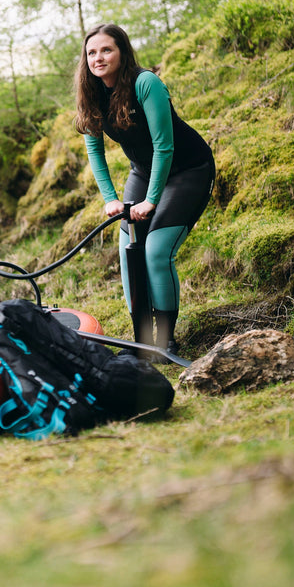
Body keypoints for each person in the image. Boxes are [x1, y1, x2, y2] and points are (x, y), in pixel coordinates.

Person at [74, 23, 215, 354]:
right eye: (92, 52)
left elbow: (164, 146)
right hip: (143, 171)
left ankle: (166, 341)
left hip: (188, 170)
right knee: (128, 250)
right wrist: (111, 198)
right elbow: (94, 152)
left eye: (107, 50)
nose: (99, 57)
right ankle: (141, 341)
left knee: (155, 252)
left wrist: (151, 200)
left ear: (122, 52)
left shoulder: (145, 83)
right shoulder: (91, 94)